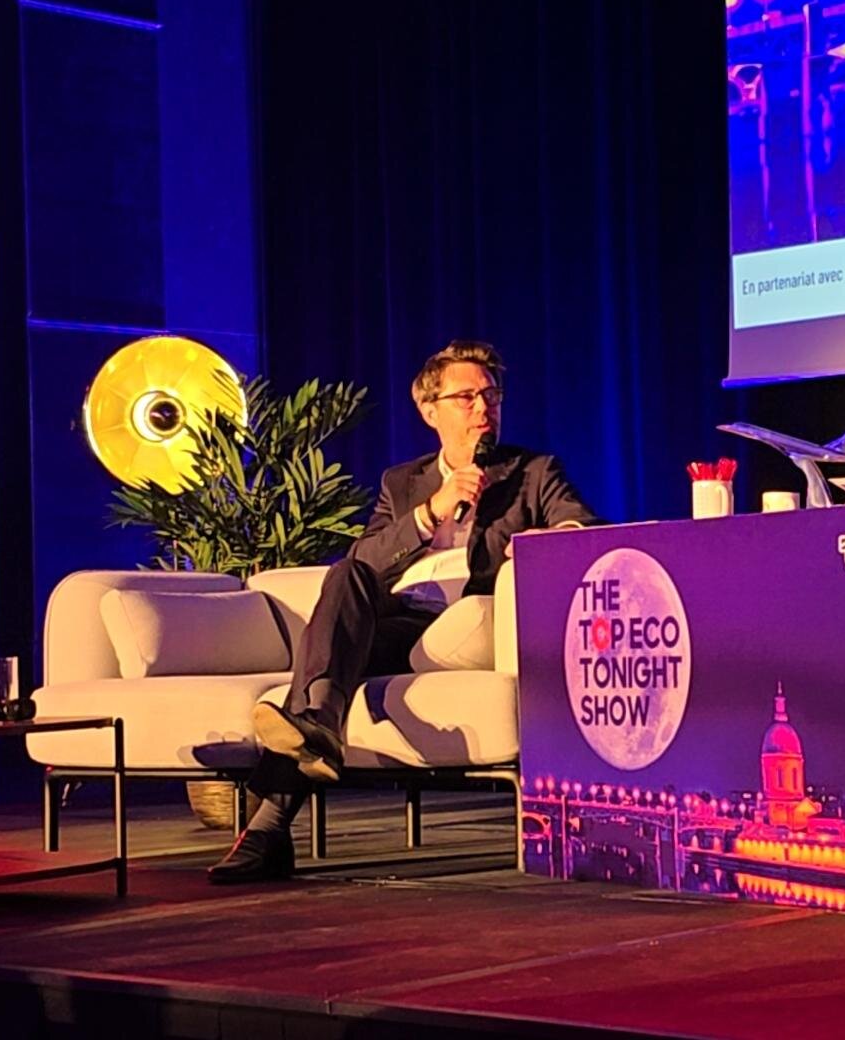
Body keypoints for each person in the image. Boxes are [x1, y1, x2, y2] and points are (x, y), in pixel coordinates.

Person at [209, 339, 599, 883]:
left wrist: (545, 544)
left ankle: (273, 819)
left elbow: (580, 526)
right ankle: (317, 725)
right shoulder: (402, 483)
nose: (483, 410)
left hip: (462, 621)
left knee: (319, 675)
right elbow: (366, 561)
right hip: (396, 620)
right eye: (466, 398)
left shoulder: (532, 472)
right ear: (430, 410)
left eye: (492, 396)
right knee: (346, 578)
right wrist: (428, 513)